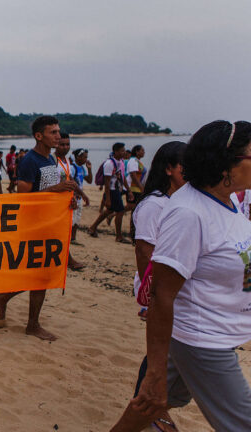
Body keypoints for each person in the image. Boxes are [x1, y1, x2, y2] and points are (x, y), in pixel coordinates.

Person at [111, 121, 251, 432]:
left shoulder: (228, 202)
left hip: (213, 331)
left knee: (150, 405)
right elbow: (162, 293)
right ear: (227, 163)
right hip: (204, 339)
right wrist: (155, 371)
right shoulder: (189, 213)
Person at [0, 116, 78, 341]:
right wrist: (57, 189)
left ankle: (3, 299)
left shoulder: (50, 160)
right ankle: (31, 324)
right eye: (53, 132)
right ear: (39, 136)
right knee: (42, 276)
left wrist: (66, 200)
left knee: (40, 275)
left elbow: (48, 192)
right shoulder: (30, 160)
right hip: (33, 226)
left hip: (49, 223)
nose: (58, 136)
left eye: (58, 132)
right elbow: (23, 197)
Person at [128, 141, 187, 325]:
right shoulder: (154, 205)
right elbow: (144, 252)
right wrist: (151, 297)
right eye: (185, 166)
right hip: (159, 287)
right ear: (169, 169)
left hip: (175, 284)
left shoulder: (178, 200)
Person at [88, 142, 131, 242]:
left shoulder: (120, 161)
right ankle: (119, 236)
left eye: (124, 150)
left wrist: (129, 190)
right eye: (122, 151)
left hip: (116, 190)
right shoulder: (109, 164)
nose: (124, 152)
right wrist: (107, 198)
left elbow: (122, 177)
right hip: (112, 191)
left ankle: (93, 227)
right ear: (116, 151)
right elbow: (107, 183)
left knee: (110, 211)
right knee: (120, 211)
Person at [54, 133, 86, 270]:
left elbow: (70, 180)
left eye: (67, 144)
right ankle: (69, 260)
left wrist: (80, 194)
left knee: (62, 232)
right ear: (55, 144)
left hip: (65, 201)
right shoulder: (52, 160)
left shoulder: (66, 162)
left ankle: (66, 259)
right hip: (54, 201)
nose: (65, 147)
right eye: (62, 144)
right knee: (59, 233)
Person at [70, 148, 93, 243]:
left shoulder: (82, 168)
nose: (86, 159)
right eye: (84, 157)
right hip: (73, 197)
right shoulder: (72, 167)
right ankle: (70, 238)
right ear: (78, 157)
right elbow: (70, 182)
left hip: (79, 197)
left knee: (77, 219)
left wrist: (89, 169)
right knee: (71, 219)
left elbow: (90, 181)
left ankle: (73, 238)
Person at [126, 144, 147, 240]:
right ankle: (132, 232)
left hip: (137, 188)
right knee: (133, 209)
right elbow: (133, 175)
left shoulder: (137, 161)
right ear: (137, 151)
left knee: (134, 208)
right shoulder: (133, 161)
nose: (144, 152)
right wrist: (141, 187)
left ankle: (133, 231)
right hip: (134, 188)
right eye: (142, 150)